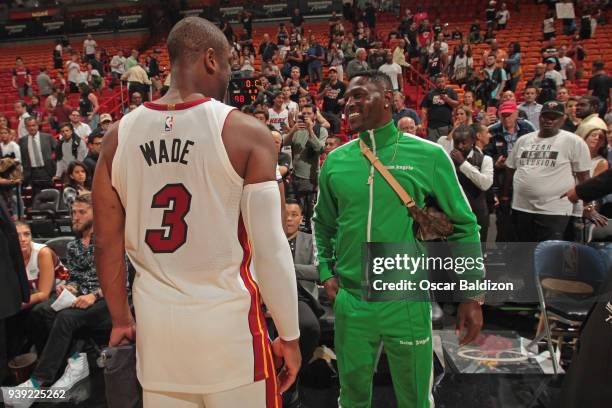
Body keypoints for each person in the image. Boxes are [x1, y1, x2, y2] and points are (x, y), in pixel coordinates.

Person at [92, 17, 300, 406]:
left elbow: (105, 243)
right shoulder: (246, 133)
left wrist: (121, 318)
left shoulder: (116, 137)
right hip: (232, 338)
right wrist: (289, 335)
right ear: (209, 59)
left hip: (158, 342)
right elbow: (271, 250)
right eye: (226, 64)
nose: (227, 74)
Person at [313, 70, 483, 408]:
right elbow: (323, 224)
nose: (349, 103)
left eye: (359, 95)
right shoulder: (335, 161)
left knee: (415, 397)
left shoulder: (430, 156)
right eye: (347, 97)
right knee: (352, 397)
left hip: (405, 299)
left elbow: (465, 226)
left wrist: (472, 294)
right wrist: (326, 273)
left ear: (389, 99)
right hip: (352, 300)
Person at [4, 194, 114, 398]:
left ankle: (38, 382)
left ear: (96, 214)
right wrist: (70, 287)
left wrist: (94, 295)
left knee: (65, 318)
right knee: (41, 311)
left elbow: (120, 281)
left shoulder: (109, 241)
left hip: (108, 300)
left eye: (82, 212)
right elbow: (74, 277)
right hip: (80, 296)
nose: (75, 217)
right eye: (73, 213)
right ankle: (72, 361)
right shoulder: (73, 245)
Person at [503, 101, 592, 242]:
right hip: (522, 207)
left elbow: (584, 177)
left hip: (554, 210)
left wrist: (588, 205)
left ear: (562, 119)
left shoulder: (574, 141)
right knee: (523, 254)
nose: (548, 121)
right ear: (539, 117)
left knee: (550, 255)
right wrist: (506, 196)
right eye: (545, 116)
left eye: (554, 117)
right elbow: (510, 168)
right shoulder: (524, 140)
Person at [282, 199, 322, 407]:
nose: (289, 219)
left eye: (294, 214)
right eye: (285, 213)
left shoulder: (310, 240)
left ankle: (294, 373)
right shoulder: (270, 239)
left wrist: (288, 268)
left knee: (309, 327)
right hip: (270, 294)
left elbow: (318, 271)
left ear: (301, 218)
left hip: (300, 296)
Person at [487, 100, 536, 242]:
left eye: (509, 115)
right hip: (502, 178)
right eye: (503, 115)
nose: (506, 118)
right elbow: (485, 154)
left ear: (516, 114)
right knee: (503, 217)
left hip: (525, 176)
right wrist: (495, 162)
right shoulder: (492, 130)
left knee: (523, 218)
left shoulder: (528, 128)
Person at [284, 104, 327, 228]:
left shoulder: (321, 130)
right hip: (294, 176)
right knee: (294, 212)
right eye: (304, 114)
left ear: (314, 115)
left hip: (310, 178)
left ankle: (309, 241)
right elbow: (285, 143)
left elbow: (320, 148)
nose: (306, 116)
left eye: (309, 113)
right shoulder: (297, 128)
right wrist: (293, 129)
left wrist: (310, 130)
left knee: (309, 215)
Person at [451, 124, 493, 242]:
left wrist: (463, 163)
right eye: (456, 142)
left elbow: (485, 184)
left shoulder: (485, 159)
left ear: (473, 141)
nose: (460, 146)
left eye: (464, 142)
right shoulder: (446, 159)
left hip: (477, 212)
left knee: (478, 250)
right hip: (454, 212)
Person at [18, 118, 57, 199]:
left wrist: (55, 166)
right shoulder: (22, 141)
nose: (32, 128)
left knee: (51, 196)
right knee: (37, 199)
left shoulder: (47, 137)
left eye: (33, 125)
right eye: (29, 126)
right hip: (32, 173)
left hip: (48, 171)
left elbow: (59, 151)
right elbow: (23, 158)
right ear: (26, 127)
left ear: (37, 125)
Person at [421, 74, 459, 142]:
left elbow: (457, 104)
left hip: (446, 126)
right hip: (432, 127)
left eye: (442, 81)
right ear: (435, 83)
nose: (441, 84)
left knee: (445, 146)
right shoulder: (430, 94)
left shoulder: (450, 91)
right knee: (433, 147)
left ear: (445, 82)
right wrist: (422, 123)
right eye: (438, 82)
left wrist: (447, 100)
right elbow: (424, 109)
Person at [318, 67, 346, 135]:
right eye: (330, 73)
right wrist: (325, 91)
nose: (332, 74)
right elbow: (318, 97)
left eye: (334, 72)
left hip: (337, 111)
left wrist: (344, 100)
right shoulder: (325, 84)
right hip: (326, 111)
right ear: (328, 75)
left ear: (337, 74)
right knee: (327, 131)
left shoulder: (342, 85)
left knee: (335, 128)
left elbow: (347, 97)